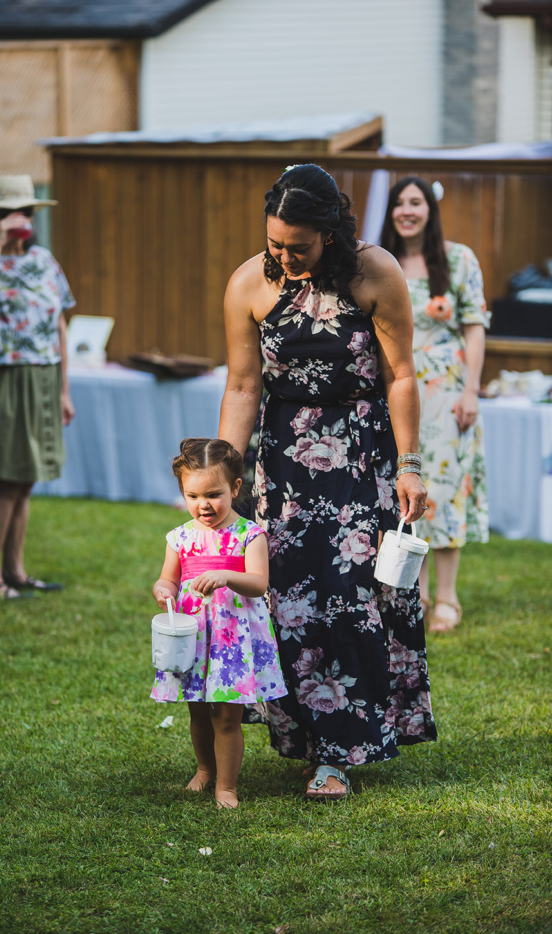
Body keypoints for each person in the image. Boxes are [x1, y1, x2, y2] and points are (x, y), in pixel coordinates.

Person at [219, 164, 437, 800]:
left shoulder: (377, 272)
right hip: (282, 461)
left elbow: (400, 375)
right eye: (275, 244)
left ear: (332, 234)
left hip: (359, 455)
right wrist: (228, 472)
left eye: (300, 247)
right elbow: (241, 384)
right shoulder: (248, 282)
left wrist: (410, 463)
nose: (285, 257)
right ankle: (306, 737)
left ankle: (339, 754)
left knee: (349, 597)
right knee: (285, 600)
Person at [152, 438, 287, 809]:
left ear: (236, 488)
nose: (203, 505)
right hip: (193, 636)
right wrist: (162, 588)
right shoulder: (179, 537)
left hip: (232, 640)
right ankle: (204, 769)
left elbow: (259, 584)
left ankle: (226, 786)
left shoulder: (249, 535)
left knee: (226, 715)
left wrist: (226, 576)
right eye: (192, 496)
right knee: (198, 710)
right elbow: (170, 579)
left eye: (213, 494)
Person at [380, 176, 490, 632]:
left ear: (430, 209)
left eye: (415, 202)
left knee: (443, 488)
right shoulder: (379, 262)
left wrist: (471, 390)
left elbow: (474, 325)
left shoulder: (460, 259)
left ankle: (447, 596)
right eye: (399, 203)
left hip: (445, 389)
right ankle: (415, 593)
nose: (407, 210)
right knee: (406, 489)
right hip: (395, 389)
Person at [0, 175, 76, 599]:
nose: (21, 219)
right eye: (11, 212)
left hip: (43, 376)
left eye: (26, 212)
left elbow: (59, 322)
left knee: (25, 479)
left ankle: (16, 572)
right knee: (7, 479)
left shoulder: (44, 259)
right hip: (1, 377)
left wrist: (64, 389)